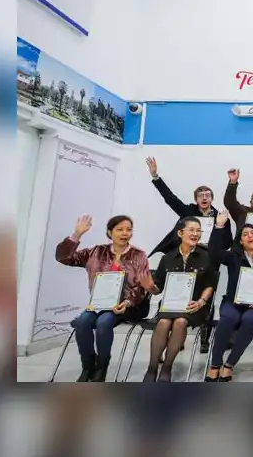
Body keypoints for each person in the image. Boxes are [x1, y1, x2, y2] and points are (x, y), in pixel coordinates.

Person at [145, 156, 229, 353]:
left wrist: (220, 229)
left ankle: (204, 339)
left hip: (207, 259)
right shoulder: (187, 211)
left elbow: (227, 242)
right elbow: (170, 198)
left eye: (207, 194)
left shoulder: (220, 216)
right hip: (184, 256)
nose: (204, 197)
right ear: (196, 199)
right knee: (177, 292)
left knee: (207, 297)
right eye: (200, 194)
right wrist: (156, 176)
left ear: (212, 198)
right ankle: (177, 336)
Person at [55, 214, 154, 382]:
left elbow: (141, 286)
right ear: (110, 232)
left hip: (129, 305)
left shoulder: (138, 255)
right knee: (83, 322)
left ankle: (102, 366)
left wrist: (127, 302)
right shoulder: (96, 251)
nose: (125, 233)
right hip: (99, 303)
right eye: (120, 229)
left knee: (103, 322)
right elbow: (64, 258)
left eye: (129, 230)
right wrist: (76, 235)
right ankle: (88, 366)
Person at [204, 211, 253, 382]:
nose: (249, 236)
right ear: (240, 240)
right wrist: (218, 227)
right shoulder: (233, 256)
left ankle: (229, 364)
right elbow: (214, 252)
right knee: (227, 318)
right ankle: (215, 364)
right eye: (245, 234)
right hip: (234, 302)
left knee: (249, 320)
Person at [141, 217, 217, 382]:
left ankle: (167, 368)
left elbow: (210, 284)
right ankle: (152, 368)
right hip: (170, 305)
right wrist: (150, 287)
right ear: (180, 233)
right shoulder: (167, 258)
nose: (195, 234)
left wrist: (201, 302)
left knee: (181, 321)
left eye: (198, 231)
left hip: (194, 306)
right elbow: (158, 288)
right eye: (191, 230)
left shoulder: (206, 256)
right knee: (163, 322)